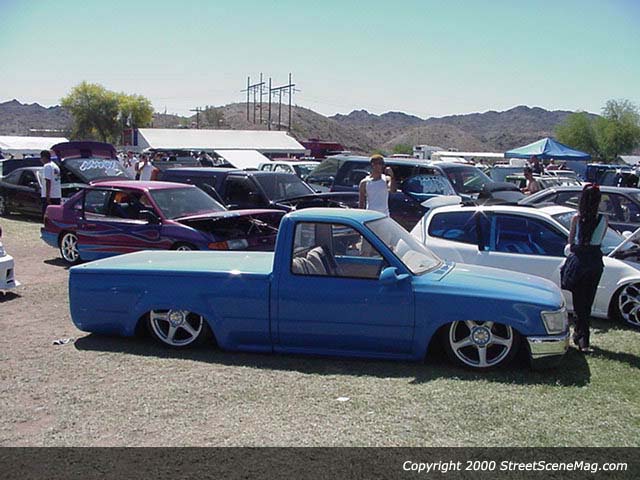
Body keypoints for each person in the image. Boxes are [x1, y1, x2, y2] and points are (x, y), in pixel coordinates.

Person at [567, 184, 606, 353]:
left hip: (579, 262)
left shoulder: (576, 218)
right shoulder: (603, 219)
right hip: (595, 262)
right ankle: (582, 338)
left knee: (578, 303)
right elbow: (600, 240)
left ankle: (580, 336)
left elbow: (570, 242)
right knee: (587, 303)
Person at [40, 150, 61, 218]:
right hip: (57, 194)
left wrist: (47, 196)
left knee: (47, 216)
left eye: (41, 158)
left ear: (44, 157)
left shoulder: (47, 166)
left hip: (50, 196)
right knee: (55, 215)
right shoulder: (55, 166)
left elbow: (48, 181)